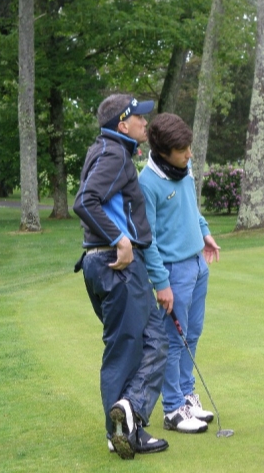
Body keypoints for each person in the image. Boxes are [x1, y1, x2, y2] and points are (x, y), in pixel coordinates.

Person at [72, 94, 169, 460]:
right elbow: (85, 201)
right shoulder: (114, 154)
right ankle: (125, 421)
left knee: (144, 342)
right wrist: (119, 239)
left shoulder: (105, 150)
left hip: (103, 265)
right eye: (139, 118)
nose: (146, 123)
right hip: (118, 266)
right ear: (121, 125)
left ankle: (124, 425)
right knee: (136, 347)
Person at [138, 113, 220, 434]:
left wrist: (205, 233)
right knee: (173, 342)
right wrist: (162, 283)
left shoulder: (183, 171)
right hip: (172, 271)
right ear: (162, 151)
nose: (189, 154)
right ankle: (172, 409)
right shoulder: (148, 183)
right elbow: (148, 240)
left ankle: (187, 397)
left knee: (192, 335)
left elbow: (192, 210)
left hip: (197, 263)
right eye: (183, 149)